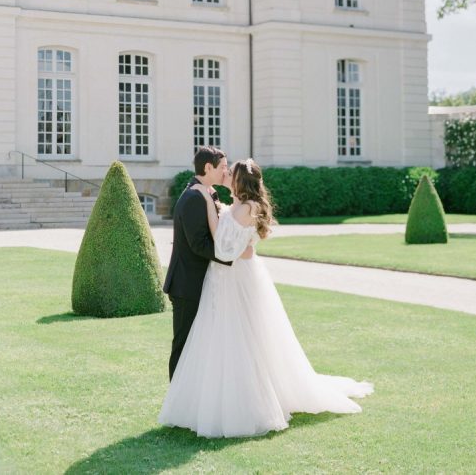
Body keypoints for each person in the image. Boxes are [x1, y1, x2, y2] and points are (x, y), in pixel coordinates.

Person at [159, 158, 373, 438]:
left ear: (239, 181)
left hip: (235, 279)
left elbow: (224, 249)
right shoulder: (238, 205)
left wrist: (210, 205)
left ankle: (249, 401)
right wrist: (214, 204)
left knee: (243, 340)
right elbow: (231, 238)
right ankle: (206, 397)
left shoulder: (248, 207)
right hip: (225, 278)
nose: (226, 175)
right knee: (219, 339)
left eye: (230, 172)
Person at [163, 146, 252, 380]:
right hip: (187, 285)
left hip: (204, 282)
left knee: (200, 347)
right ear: (207, 167)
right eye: (222, 167)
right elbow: (199, 245)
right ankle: (177, 397)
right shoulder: (194, 196)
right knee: (183, 345)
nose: (226, 171)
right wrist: (231, 254)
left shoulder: (207, 192)